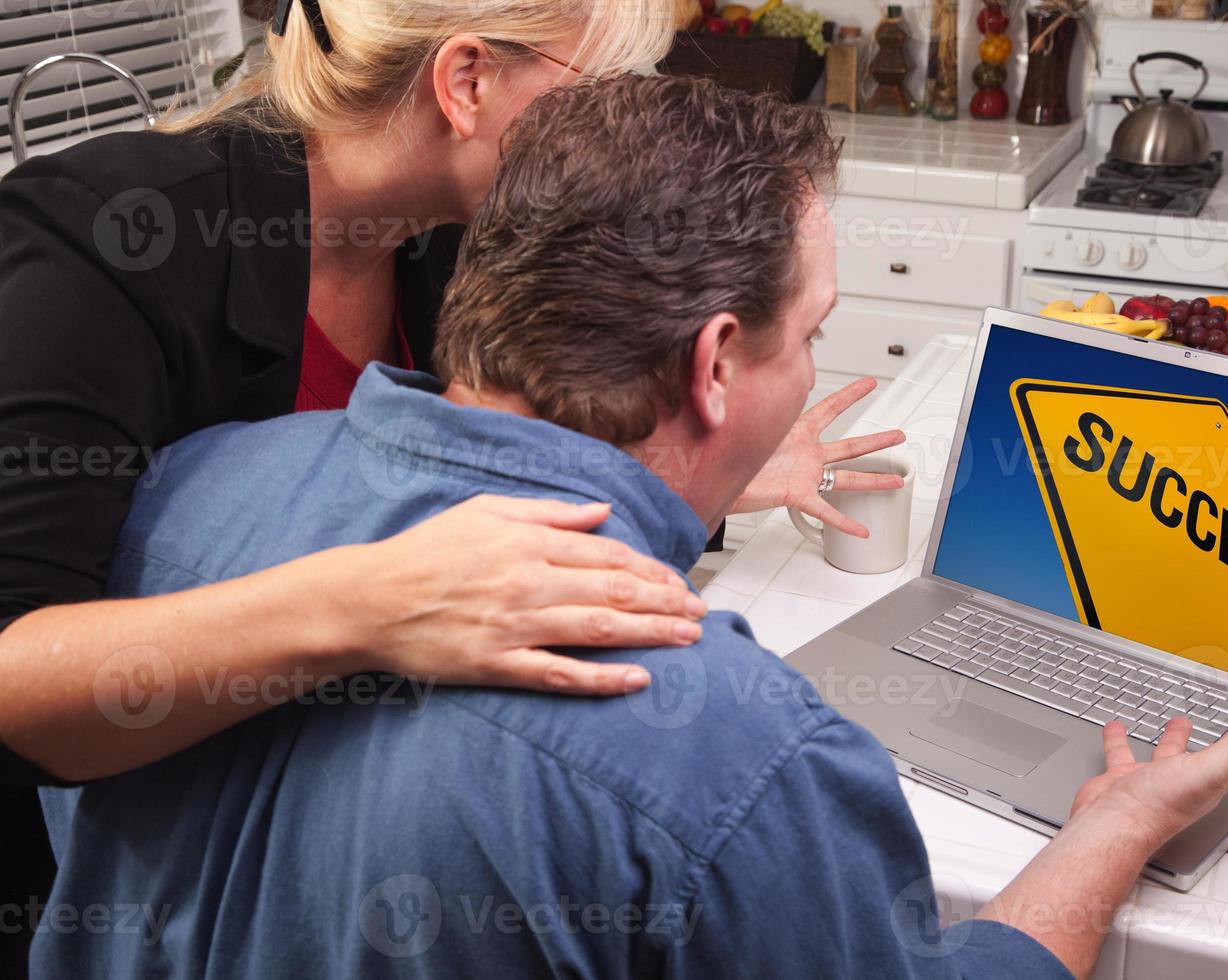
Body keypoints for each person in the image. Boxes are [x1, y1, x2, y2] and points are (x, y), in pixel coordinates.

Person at [35, 74, 1228, 980]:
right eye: (808, 333)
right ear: (713, 365)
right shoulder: (728, 745)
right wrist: (1108, 829)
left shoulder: (189, 491)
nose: (809, 365)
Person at [0, 3, 898, 962]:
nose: (620, 125)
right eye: (602, 89)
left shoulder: (448, 236)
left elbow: (485, 452)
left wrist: (708, 459)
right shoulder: (102, 247)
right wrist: (373, 600)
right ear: (466, 81)